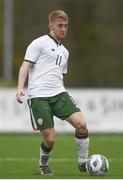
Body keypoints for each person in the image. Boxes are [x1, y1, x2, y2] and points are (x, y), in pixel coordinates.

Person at [16, 10, 89, 176]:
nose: (63, 29)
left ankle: (84, 162)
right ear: (51, 25)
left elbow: (59, 74)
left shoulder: (65, 52)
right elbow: (25, 66)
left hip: (59, 94)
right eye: (59, 25)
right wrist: (20, 87)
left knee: (82, 125)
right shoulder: (39, 43)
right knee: (50, 139)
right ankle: (43, 165)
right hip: (39, 96)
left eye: (65, 26)